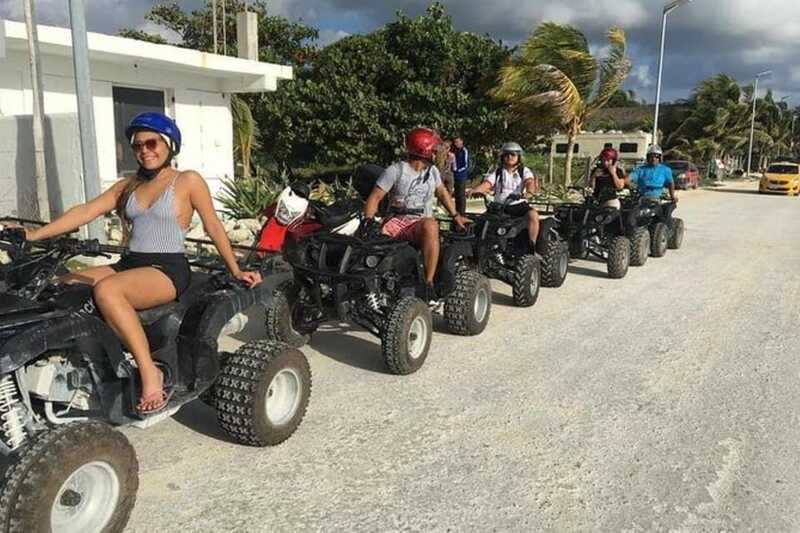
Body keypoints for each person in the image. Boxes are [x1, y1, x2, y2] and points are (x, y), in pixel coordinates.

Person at [18, 112, 262, 414]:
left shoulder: (186, 181)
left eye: (152, 143)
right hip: (130, 264)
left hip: (167, 269)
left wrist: (235, 268)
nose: (145, 150)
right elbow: (87, 211)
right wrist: (33, 235)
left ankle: (150, 372)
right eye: (138, 146)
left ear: (170, 145)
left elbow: (212, 224)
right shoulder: (127, 186)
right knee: (55, 285)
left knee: (108, 291)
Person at [364, 127, 469, 291]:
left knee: (431, 225)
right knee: (370, 246)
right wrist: (369, 222)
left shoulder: (432, 171)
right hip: (395, 221)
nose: (438, 152)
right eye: (434, 149)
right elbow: (375, 197)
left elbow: (442, 193)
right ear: (424, 149)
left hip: (420, 223)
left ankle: (428, 283)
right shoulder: (396, 170)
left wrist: (456, 215)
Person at [468, 142, 540, 246]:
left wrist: (529, 191)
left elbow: (529, 181)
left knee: (533, 215)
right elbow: (487, 184)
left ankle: (532, 244)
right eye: (506, 154)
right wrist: (475, 190)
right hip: (499, 207)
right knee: (480, 223)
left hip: (518, 205)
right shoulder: (498, 172)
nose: (509, 157)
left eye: (513, 154)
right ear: (502, 157)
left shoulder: (524, 170)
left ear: (519, 157)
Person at [451, 136, 470, 215]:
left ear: (462, 142)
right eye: (455, 142)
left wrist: (458, 170)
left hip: (461, 175)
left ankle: (462, 212)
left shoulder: (464, 151)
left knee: (461, 194)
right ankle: (457, 211)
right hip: (454, 175)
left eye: (458, 142)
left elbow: (466, 164)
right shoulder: (455, 151)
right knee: (456, 194)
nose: (456, 144)